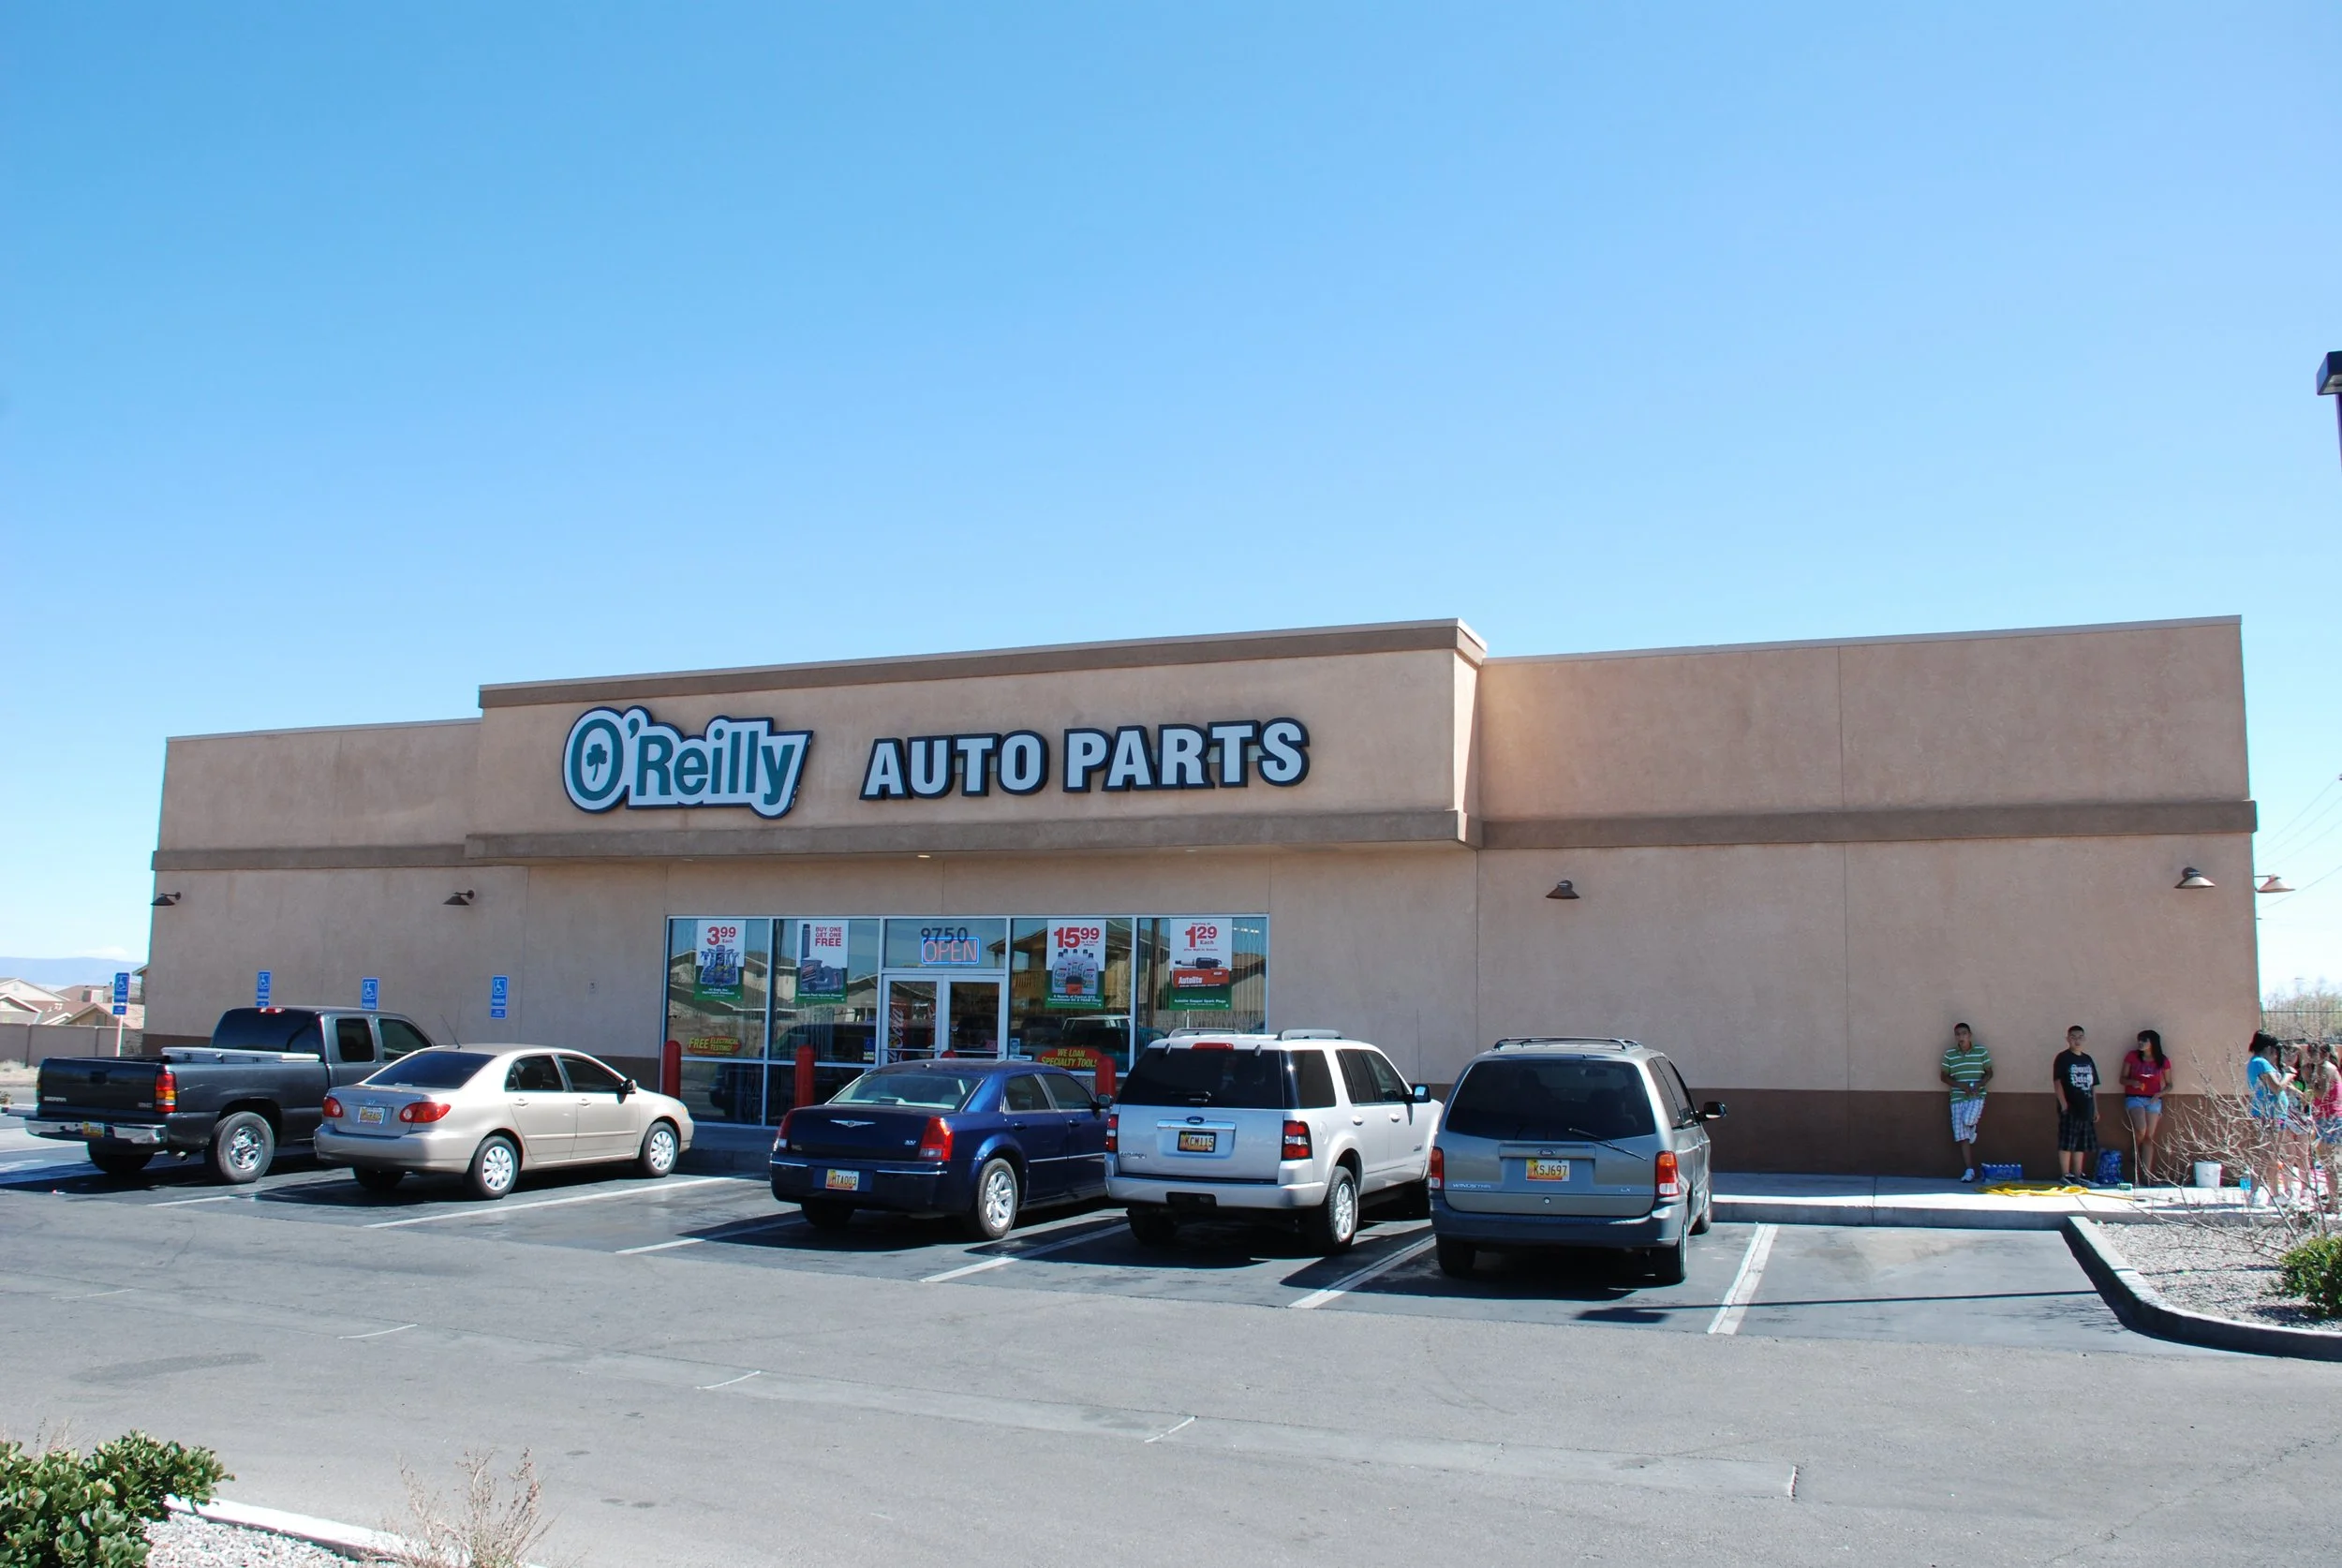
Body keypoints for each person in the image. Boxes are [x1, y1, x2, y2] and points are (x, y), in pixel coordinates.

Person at [2245, 1031, 2300, 1206]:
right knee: (2265, 1154)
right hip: (2268, 1114)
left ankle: (2274, 1194)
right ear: (2269, 1049)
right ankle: (2255, 1193)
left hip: (2272, 1113)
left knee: (2271, 1155)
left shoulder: (2257, 1063)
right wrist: (2289, 1076)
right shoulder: (2261, 1063)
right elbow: (2276, 1088)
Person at [1938, 1022, 1993, 1181]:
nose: (1961, 1037)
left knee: (1968, 1120)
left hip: (1976, 1094)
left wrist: (1979, 1084)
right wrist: (1960, 1085)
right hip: (1957, 1097)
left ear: (1970, 1035)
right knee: (1962, 1136)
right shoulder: (1950, 1055)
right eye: (1958, 1034)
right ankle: (1969, 1170)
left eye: (1964, 1033)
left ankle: (1972, 1126)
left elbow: (1989, 1072)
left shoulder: (1981, 1051)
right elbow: (1944, 1076)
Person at [2121, 1029, 2173, 1185]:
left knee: (2149, 1138)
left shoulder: (2162, 1061)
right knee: (2141, 1128)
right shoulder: (2132, 1056)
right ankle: (2134, 1148)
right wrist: (2133, 1083)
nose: (2141, 1043)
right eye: (2139, 1040)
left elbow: (2170, 1084)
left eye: (2145, 1040)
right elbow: (2122, 1078)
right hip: (2134, 1098)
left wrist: (2160, 1094)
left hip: (2153, 1100)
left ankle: (2147, 1176)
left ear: (2153, 1043)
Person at [2052, 1025, 2099, 1184]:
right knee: (2067, 1141)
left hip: (2086, 1107)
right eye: (2073, 1037)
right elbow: (2057, 1082)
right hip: (2070, 1107)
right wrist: (2063, 1104)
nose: (2077, 1040)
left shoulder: (2087, 1059)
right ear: (2067, 1039)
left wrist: (2095, 1108)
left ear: (2084, 1039)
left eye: (2080, 1037)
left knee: (2081, 1143)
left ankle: (2078, 1174)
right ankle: (2066, 1174)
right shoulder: (2063, 1058)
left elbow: (2093, 1086)